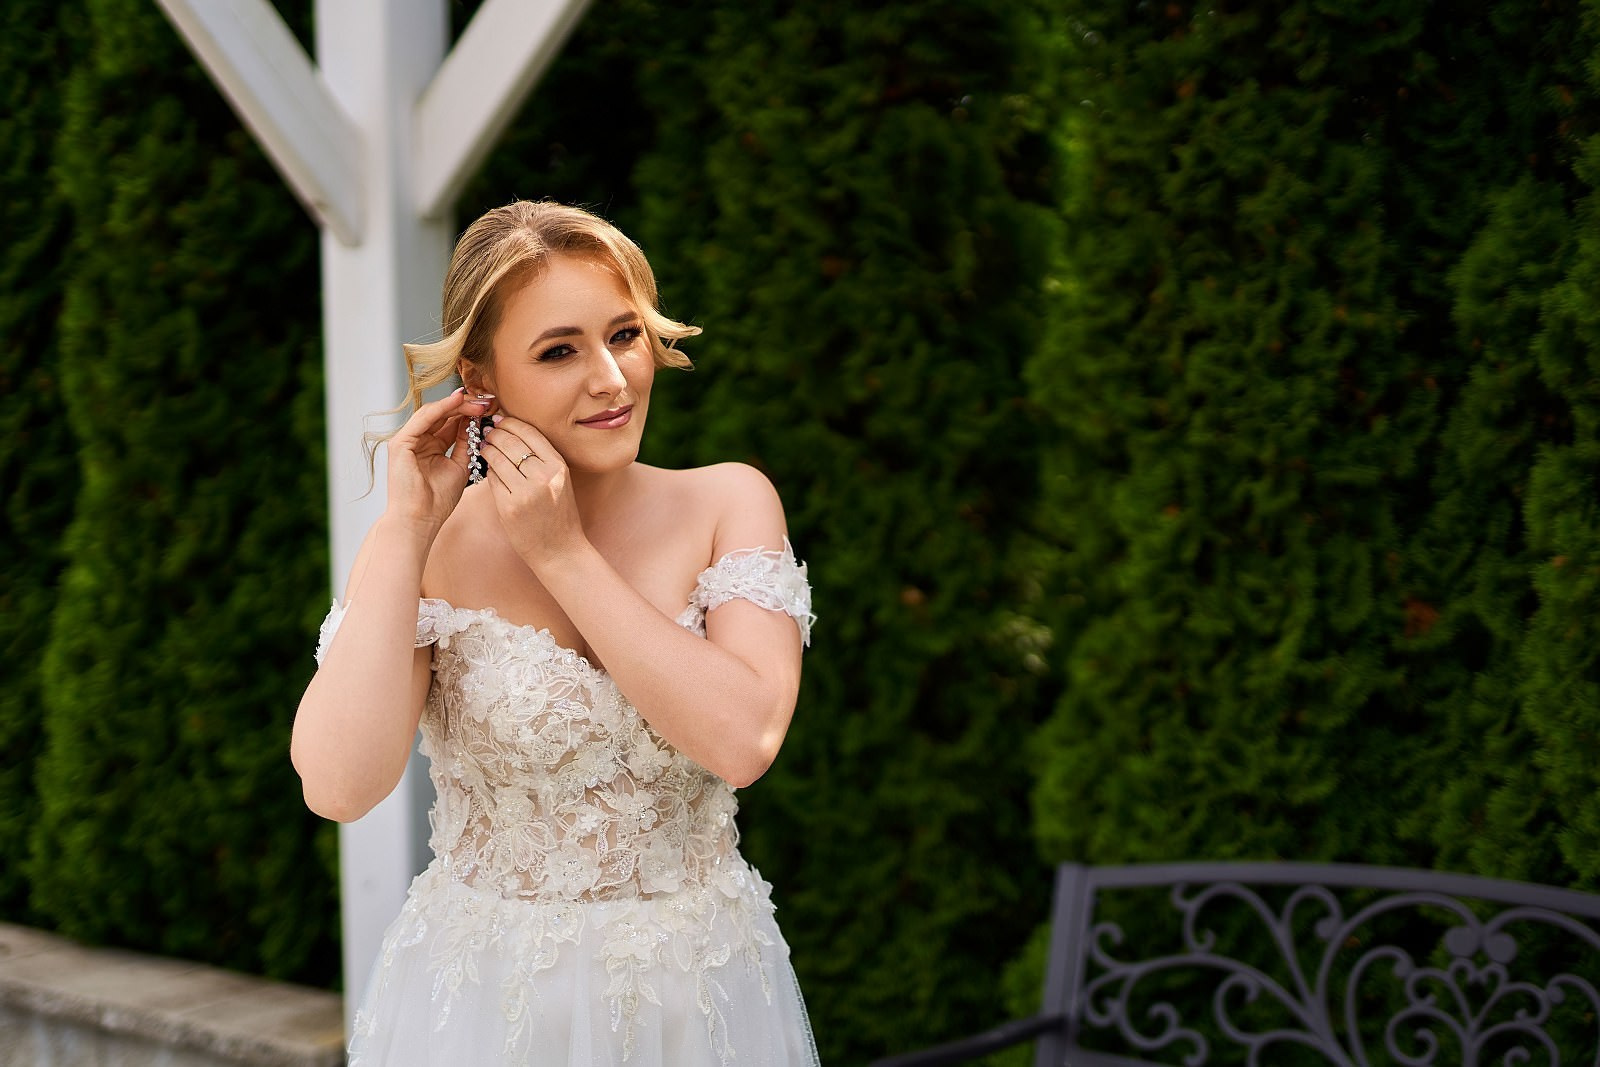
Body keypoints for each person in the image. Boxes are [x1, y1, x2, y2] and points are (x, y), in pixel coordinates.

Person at [291, 201, 820, 1066]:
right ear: (481, 379)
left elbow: (745, 739)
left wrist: (562, 552)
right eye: (559, 351)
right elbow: (339, 785)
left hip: (697, 1002)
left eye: (624, 334)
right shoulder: (428, 549)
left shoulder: (728, 502)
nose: (611, 378)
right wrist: (404, 529)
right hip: (482, 1012)